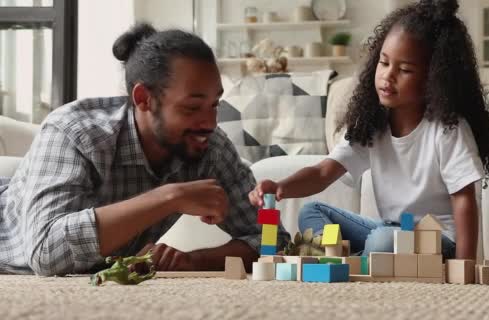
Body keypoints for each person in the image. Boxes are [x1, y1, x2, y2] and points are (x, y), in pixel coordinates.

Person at [0, 23, 289, 276]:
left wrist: (194, 260)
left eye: (215, 104)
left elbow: (272, 240)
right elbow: (46, 253)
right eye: (191, 107)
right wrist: (168, 197)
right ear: (143, 99)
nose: (209, 122)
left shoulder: (210, 146)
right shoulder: (76, 131)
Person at [249, 0, 489, 260]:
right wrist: (281, 187)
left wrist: (465, 265)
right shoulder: (372, 124)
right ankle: (355, 259)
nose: (388, 76)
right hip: (390, 232)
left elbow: (464, 200)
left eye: (404, 70)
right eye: (384, 63)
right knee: (311, 212)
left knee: (381, 242)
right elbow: (323, 172)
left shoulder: (447, 130)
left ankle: (357, 259)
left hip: (438, 241)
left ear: (434, 78)